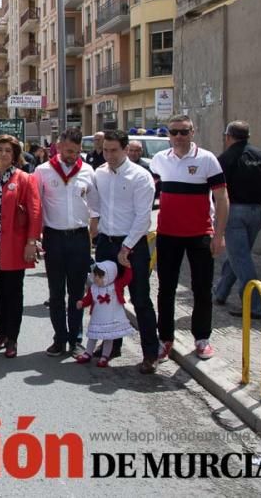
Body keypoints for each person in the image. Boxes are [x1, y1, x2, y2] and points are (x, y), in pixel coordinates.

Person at [150, 115, 229, 361]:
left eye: (183, 132)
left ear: (192, 132)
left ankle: (202, 338)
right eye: (174, 132)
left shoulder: (207, 159)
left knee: (202, 289)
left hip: (200, 234)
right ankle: (165, 339)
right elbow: (147, 193)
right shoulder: (159, 160)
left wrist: (219, 234)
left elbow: (222, 198)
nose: (178, 137)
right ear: (168, 135)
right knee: (166, 289)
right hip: (167, 234)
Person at [91, 129, 160, 374]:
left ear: (125, 149)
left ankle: (150, 354)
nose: (108, 155)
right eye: (105, 150)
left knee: (140, 299)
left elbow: (143, 218)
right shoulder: (100, 173)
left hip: (133, 245)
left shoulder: (140, 176)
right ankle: (112, 346)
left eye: (114, 150)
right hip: (106, 244)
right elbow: (96, 205)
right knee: (107, 297)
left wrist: (127, 247)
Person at [34, 128, 99, 357]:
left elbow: (95, 203)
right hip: (54, 237)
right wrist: (35, 237)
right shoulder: (43, 171)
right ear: (59, 146)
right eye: (69, 150)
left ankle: (76, 339)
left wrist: (94, 226)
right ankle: (59, 338)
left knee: (77, 293)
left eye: (77, 151)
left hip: (80, 237)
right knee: (56, 292)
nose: (73, 155)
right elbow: (36, 206)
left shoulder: (88, 171)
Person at [0, 135, 42, 358]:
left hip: (14, 246)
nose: (3, 154)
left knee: (14, 294)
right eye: (0, 150)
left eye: (8, 150)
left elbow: (34, 212)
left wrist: (31, 242)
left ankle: (12, 338)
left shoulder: (24, 179)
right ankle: (1, 333)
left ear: (15, 155)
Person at [214, 120, 261, 319]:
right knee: (238, 255)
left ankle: (256, 306)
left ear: (228, 137)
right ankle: (221, 292)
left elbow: (217, 192)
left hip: (234, 213)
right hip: (257, 213)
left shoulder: (225, 159)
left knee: (241, 258)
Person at [74, 261, 134, 368]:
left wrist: (128, 267)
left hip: (111, 317)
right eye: (95, 275)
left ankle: (105, 356)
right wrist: (82, 302)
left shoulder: (115, 286)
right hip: (97, 317)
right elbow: (89, 299)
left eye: (100, 276)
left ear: (109, 276)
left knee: (108, 338)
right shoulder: (93, 288)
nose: (97, 278)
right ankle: (88, 353)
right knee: (92, 336)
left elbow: (126, 279)